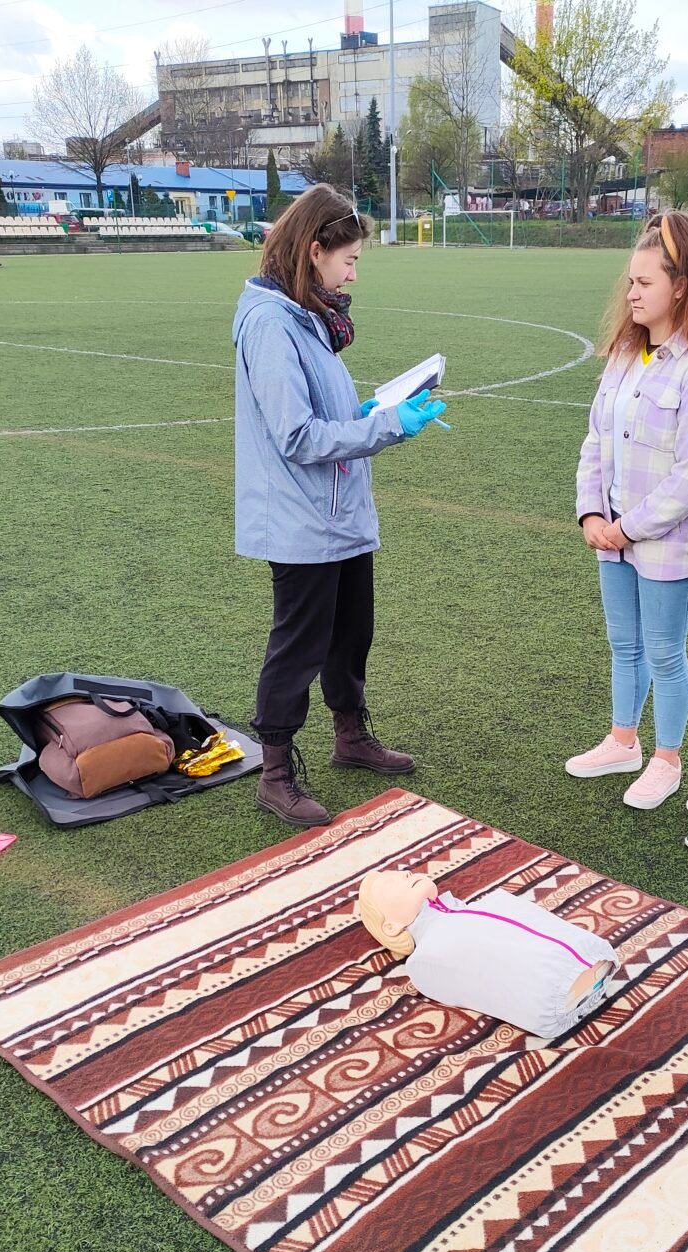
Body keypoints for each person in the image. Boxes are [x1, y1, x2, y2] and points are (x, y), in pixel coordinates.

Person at [232, 184, 447, 829]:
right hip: (301, 518)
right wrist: (388, 426)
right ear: (314, 250)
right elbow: (296, 436)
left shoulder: (307, 315)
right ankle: (275, 772)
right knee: (299, 643)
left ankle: (350, 735)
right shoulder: (272, 323)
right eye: (348, 260)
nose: (353, 274)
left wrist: (368, 411)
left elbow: (323, 414)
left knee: (352, 632)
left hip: (340, 511)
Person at [568, 211, 688, 810]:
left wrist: (627, 529)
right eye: (630, 282)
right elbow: (595, 441)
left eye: (645, 283)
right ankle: (623, 742)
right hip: (612, 534)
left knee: (664, 652)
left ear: (681, 287)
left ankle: (667, 759)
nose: (632, 293)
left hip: (665, 542)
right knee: (624, 645)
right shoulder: (623, 356)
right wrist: (592, 514)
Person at [358, 870, 617, 1039]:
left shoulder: (479, 907)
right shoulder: (426, 959)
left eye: (402, 872)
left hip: (589, 965)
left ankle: (582, 980)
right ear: (390, 926)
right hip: (558, 996)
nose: (404, 873)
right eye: (391, 882)